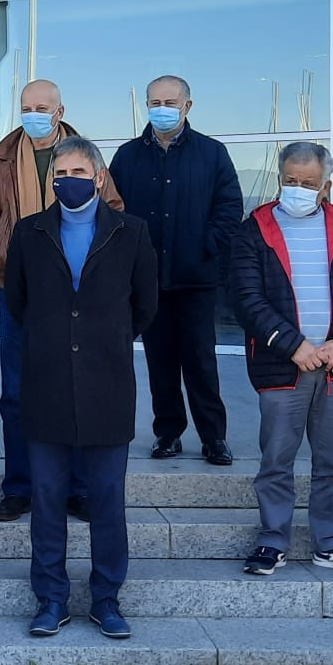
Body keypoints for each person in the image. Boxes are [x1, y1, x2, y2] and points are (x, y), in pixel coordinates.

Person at [4, 137, 157, 639]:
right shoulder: (29, 233)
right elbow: (18, 301)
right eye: (60, 172)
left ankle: (107, 599)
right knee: (47, 499)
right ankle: (50, 598)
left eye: (77, 170)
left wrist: (101, 338)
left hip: (107, 384)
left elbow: (144, 306)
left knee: (106, 500)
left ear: (97, 176)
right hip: (46, 385)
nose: (67, 178)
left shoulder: (131, 233)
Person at [0, 80, 123, 523]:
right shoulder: (0, 158)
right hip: (21, 290)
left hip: (75, 291)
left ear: (59, 110)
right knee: (16, 393)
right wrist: (6, 256)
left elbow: (112, 211)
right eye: (26, 107)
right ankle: (18, 487)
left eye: (41, 107)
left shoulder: (83, 155)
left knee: (73, 388)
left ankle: (77, 488)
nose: (32, 114)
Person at [232, 143, 333, 578]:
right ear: (280, 178)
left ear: (327, 185)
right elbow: (246, 297)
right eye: (290, 181)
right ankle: (271, 540)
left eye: (308, 183)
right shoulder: (254, 229)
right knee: (276, 458)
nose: (297, 189)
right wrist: (293, 345)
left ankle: (331, 543)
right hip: (284, 365)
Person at [109, 74, 244, 465]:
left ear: (187, 105)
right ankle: (167, 433)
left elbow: (229, 209)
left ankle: (213, 437)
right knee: (160, 361)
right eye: (154, 102)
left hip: (196, 279)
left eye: (170, 102)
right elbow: (114, 210)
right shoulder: (128, 156)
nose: (161, 109)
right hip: (148, 280)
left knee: (201, 360)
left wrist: (208, 247)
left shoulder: (212, 153)